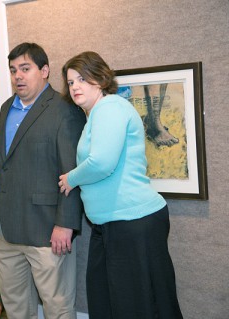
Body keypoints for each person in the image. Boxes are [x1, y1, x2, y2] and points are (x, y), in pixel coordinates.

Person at [58, 51, 183, 319]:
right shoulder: (96, 114)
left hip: (133, 221)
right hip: (112, 224)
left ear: (100, 79)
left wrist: (71, 178)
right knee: (108, 301)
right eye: (70, 82)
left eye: (82, 78)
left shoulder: (110, 107)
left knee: (139, 306)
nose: (75, 86)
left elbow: (103, 162)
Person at [0, 42, 86, 318]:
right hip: (5, 230)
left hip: (47, 230)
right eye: (13, 70)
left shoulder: (64, 110)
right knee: (16, 304)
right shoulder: (6, 108)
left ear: (44, 71)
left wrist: (65, 224)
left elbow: (72, 170)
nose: (18, 75)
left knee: (57, 304)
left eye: (25, 68)